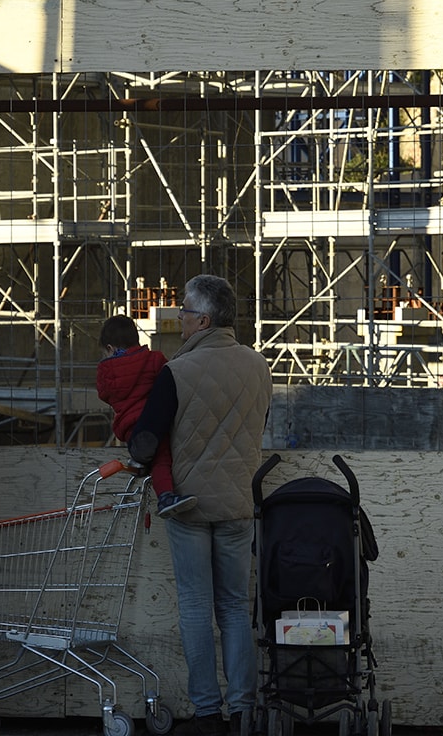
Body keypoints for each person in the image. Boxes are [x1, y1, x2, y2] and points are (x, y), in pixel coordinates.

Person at [127, 275, 274, 736]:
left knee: (195, 607)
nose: (181, 320)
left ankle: (208, 712)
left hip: (187, 505)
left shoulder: (178, 371)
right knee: (234, 606)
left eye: (185, 313)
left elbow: (145, 443)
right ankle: (243, 710)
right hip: (237, 505)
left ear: (204, 319)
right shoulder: (259, 367)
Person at [96, 314, 197, 518]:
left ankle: (140, 460)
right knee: (162, 459)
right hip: (154, 422)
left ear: (110, 348)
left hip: (129, 428)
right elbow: (170, 381)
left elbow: (104, 394)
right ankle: (166, 496)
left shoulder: (105, 370)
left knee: (152, 455)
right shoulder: (154, 359)